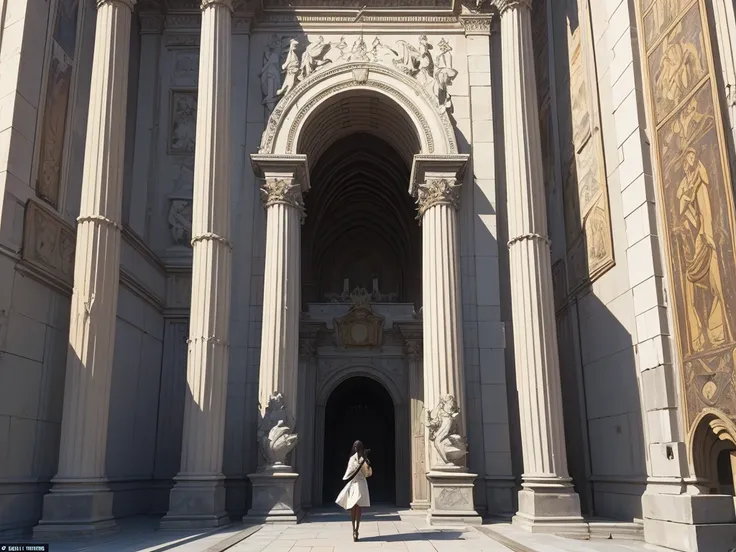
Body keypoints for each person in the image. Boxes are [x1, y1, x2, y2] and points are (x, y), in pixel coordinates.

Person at [335, 440, 372, 541]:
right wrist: (359, 463)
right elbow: (350, 471)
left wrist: (367, 465)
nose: (356, 448)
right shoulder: (352, 459)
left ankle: (357, 528)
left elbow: (367, 474)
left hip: (361, 484)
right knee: (352, 506)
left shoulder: (364, 458)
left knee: (358, 507)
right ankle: (353, 529)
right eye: (355, 446)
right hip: (354, 484)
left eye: (358, 446)